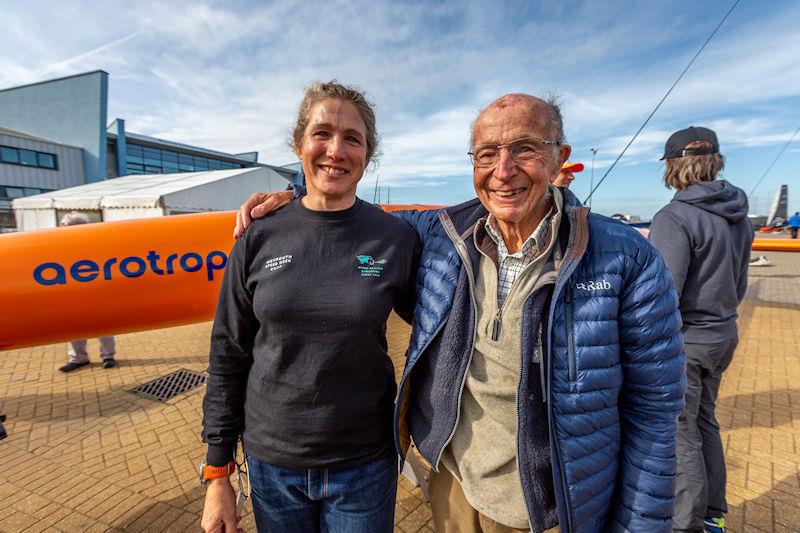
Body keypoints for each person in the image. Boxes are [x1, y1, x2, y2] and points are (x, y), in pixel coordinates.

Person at [237, 93, 685, 532]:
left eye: (524, 149)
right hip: (452, 489)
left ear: (558, 158)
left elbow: (654, 415)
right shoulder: (444, 234)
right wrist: (297, 196)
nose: (503, 172)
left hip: (551, 508)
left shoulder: (627, 259)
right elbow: (346, 209)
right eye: (486, 154)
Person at [200, 81, 419, 533]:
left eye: (352, 139)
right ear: (298, 145)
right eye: (322, 133)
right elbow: (228, 353)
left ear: (367, 154)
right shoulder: (258, 234)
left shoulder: (395, 238)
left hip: (365, 461)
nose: (335, 150)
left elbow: (439, 324)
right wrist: (217, 471)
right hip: (272, 463)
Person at [649, 127, 753, 533]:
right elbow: (740, 282)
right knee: (705, 420)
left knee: (680, 432)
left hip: (686, 343)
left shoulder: (673, 217)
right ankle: (712, 514)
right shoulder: (739, 214)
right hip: (724, 334)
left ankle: (684, 524)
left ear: (673, 165)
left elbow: (663, 296)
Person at [57, 211, 116, 372]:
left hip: (96, 291)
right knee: (75, 325)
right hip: (73, 292)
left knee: (104, 325)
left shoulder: (94, 242)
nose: (60, 228)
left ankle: (108, 355)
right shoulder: (59, 245)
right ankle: (78, 358)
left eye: (64, 225)